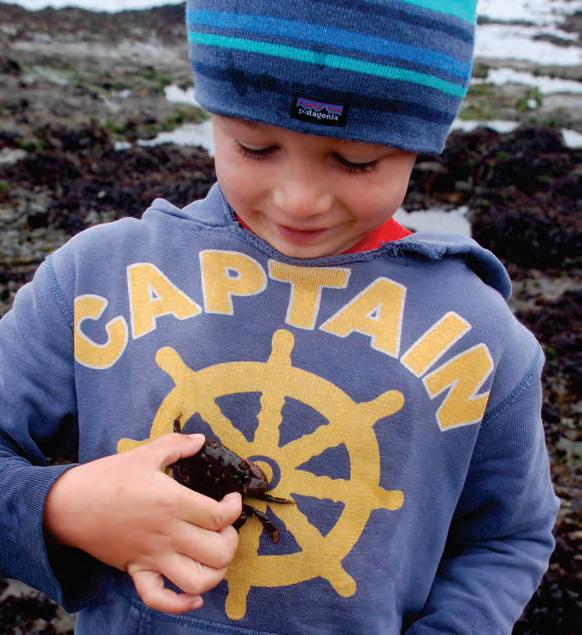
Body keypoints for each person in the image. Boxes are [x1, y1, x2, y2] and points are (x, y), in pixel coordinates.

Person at [0, 1, 559, 633]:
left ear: (418, 145)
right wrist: (64, 508)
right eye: (255, 146)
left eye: (355, 160)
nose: (299, 200)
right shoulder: (93, 278)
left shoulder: (482, 338)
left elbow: (506, 537)